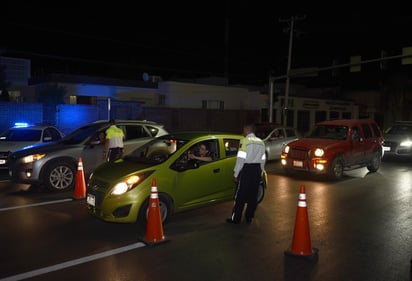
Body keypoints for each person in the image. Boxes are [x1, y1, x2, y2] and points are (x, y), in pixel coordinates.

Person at [226, 123, 266, 224]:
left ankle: (236, 219)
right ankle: (249, 216)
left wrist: (236, 174)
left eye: (243, 130)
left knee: (240, 195)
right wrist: (260, 172)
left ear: (247, 130)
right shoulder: (261, 142)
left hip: (246, 169)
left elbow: (240, 159)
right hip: (256, 170)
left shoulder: (244, 141)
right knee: (253, 195)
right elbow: (263, 159)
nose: (242, 132)